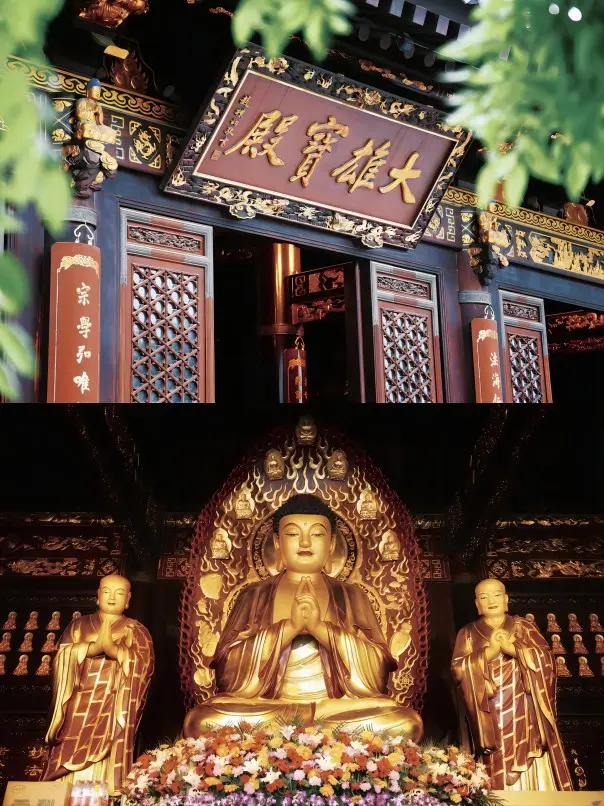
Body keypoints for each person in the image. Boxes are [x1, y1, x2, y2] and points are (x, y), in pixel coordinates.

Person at [183, 494, 421, 739]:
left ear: (330, 545)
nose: (305, 542)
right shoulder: (253, 595)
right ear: (277, 543)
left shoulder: (351, 594)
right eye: (293, 534)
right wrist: (290, 628)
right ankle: (311, 730)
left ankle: (308, 727)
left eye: (317, 534)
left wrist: (320, 629)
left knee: (405, 722)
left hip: (334, 708)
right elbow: (226, 674)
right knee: (203, 719)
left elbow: (377, 675)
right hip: (271, 708)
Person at [452, 578, 572, 791]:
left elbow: (546, 660)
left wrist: (512, 648)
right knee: (497, 749)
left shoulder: (523, 625)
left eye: (496, 595)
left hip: (525, 702)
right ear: (477, 604)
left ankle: (538, 789)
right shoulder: (468, 632)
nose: (491, 600)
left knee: (530, 742)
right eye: (483, 597)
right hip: (489, 705)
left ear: (506, 599)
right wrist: (489, 653)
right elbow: (458, 669)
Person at [43, 574, 153, 795]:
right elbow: (61, 658)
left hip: (112, 702)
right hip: (77, 699)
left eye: (119, 593)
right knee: (69, 742)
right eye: (106, 591)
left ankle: (103, 790)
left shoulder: (136, 629)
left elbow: (144, 666)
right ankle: (62, 790)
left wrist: (115, 650)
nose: (112, 597)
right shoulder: (78, 625)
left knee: (110, 744)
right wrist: (92, 648)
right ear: (97, 595)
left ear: (128, 599)